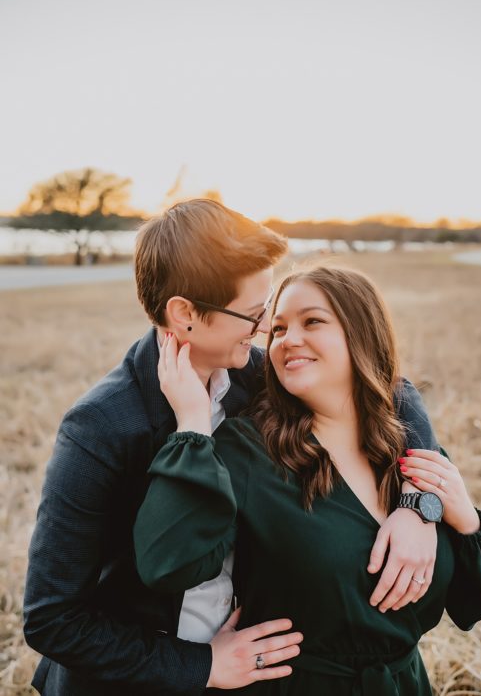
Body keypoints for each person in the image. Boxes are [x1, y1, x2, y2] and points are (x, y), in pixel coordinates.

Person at [23, 199, 441, 695]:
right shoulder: (100, 428)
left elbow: (387, 391)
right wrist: (201, 666)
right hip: (132, 681)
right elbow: (52, 618)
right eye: (252, 314)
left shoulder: (255, 378)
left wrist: (417, 502)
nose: (264, 328)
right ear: (185, 314)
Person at [132, 265, 481, 695]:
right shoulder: (248, 450)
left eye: (312, 321)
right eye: (278, 329)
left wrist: (459, 518)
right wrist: (193, 426)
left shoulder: (408, 451)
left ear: (362, 332)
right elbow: (166, 564)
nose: (288, 339)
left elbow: (476, 603)